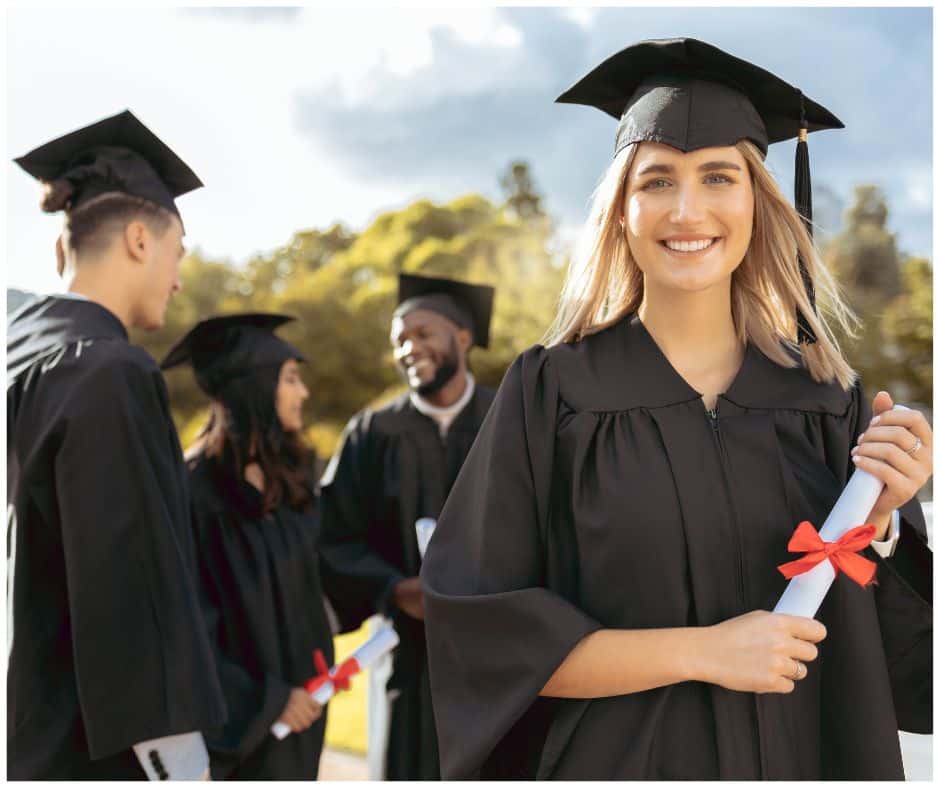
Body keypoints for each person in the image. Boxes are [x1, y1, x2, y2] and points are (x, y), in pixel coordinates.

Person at [421, 38, 933, 780]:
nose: (686, 209)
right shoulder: (555, 394)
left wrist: (882, 523)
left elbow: (895, 663)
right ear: (621, 212)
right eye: (656, 181)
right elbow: (483, 634)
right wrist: (704, 651)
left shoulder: (828, 403)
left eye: (719, 177)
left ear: (757, 201)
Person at [7, 109, 227, 779]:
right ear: (138, 238)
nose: (179, 276)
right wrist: (181, 762)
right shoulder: (108, 370)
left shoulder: (16, 356)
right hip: (83, 750)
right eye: (177, 252)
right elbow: (131, 592)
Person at [318, 273, 496, 779]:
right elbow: (334, 535)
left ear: (463, 338)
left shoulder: (509, 419)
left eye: (423, 333)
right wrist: (394, 588)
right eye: (400, 339)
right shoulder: (372, 433)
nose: (409, 347)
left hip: (496, 644)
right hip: (406, 653)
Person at [161, 313, 336, 779]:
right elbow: (183, 629)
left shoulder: (292, 479)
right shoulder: (193, 492)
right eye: (291, 379)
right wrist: (270, 702)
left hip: (305, 718)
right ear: (255, 386)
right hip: (241, 733)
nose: (303, 393)